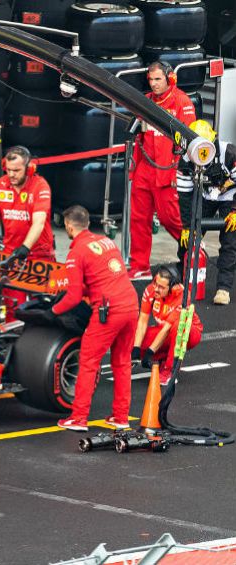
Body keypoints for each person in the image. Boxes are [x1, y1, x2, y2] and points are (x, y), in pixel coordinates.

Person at [50, 206, 138, 432]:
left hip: (108, 311)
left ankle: (78, 418)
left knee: (88, 361)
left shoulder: (76, 252)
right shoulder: (107, 242)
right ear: (88, 223)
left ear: (69, 226)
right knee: (122, 362)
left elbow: (73, 297)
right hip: (131, 305)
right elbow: (104, 277)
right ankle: (120, 417)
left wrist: (52, 312)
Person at [128, 61, 197, 279]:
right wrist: (133, 170)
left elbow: (190, 141)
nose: (154, 84)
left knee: (172, 221)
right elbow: (137, 138)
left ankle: (195, 257)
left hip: (169, 172)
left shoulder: (182, 102)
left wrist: (182, 172)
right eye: (151, 80)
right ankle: (139, 267)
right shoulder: (145, 102)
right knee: (138, 220)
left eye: (158, 79)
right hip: (144, 170)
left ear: (170, 78)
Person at [176, 120, 236, 305]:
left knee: (230, 241)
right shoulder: (186, 160)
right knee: (187, 239)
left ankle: (223, 288)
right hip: (205, 195)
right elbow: (185, 195)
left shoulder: (229, 153)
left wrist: (235, 210)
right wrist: (187, 226)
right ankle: (181, 280)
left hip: (230, 196)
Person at [0, 145, 54, 262]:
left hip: (39, 254)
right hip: (10, 252)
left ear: (29, 169)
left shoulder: (40, 186)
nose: (11, 175)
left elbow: (39, 222)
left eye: (16, 170)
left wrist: (25, 248)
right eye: (8, 170)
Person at [134, 265, 203, 385]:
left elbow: (167, 329)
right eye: (155, 283)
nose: (156, 289)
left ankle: (170, 371)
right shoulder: (151, 290)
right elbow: (142, 321)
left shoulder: (182, 297)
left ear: (173, 288)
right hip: (164, 331)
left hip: (189, 333)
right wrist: (135, 349)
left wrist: (149, 353)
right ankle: (161, 359)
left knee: (177, 326)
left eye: (161, 287)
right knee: (130, 337)